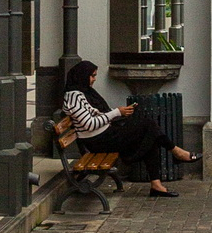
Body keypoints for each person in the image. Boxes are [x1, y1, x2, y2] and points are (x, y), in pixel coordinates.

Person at [60, 60, 200, 198]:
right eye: (92, 76)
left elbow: (97, 114)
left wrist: (120, 113)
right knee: (149, 126)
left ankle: (157, 184)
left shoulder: (84, 92)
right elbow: (89, 124)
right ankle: (176, 153)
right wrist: (116, 112)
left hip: (106, 135)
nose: (94, 79)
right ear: (82, 76)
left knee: (150, 133)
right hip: (98, 141)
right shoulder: (74, 96)